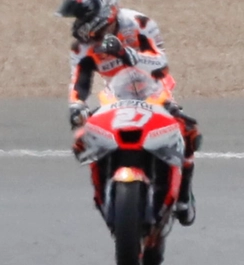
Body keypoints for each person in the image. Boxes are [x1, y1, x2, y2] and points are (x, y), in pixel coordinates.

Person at [57, 0, 200, 225]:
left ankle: (184, 196)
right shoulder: (81, 47)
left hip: (154, 89)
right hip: (114, 94)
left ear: (103, 13)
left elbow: (160, 62)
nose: (78, 26)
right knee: (83, 138)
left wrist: (126, 53)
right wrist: (77, 106)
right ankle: (101, 192)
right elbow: (80, 82)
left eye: (81, 19)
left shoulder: (140, 24)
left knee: (189, 131)